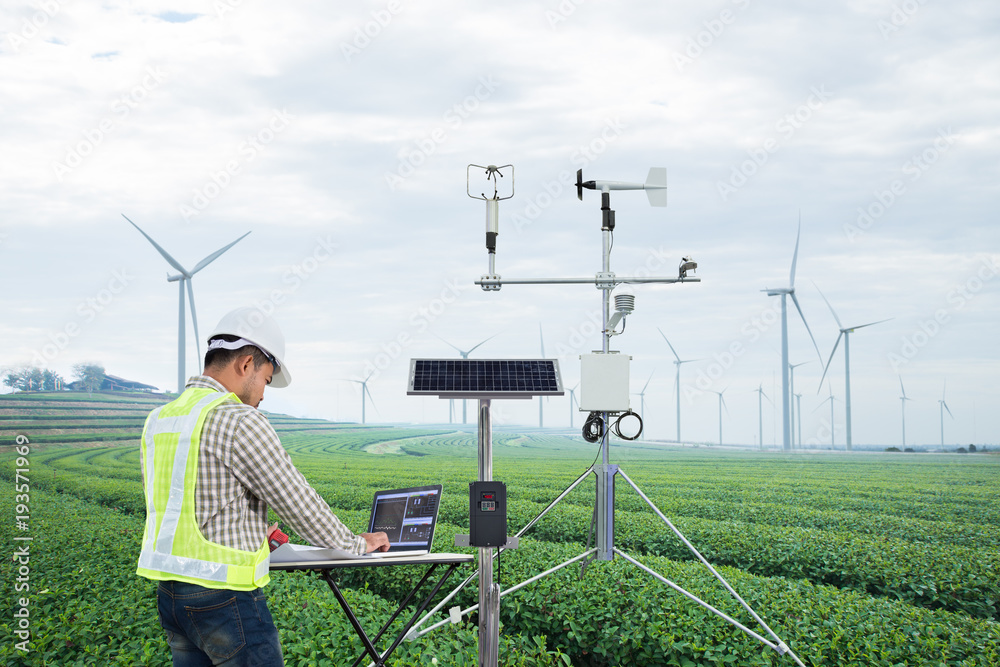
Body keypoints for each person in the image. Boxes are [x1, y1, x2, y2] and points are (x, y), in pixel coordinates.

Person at [136, 306, 389, 666]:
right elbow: (298, 502)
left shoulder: (159, 420)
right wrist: (354, 544)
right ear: (246, 364)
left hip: (172, 597)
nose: (264, 395)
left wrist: (250, 527)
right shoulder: (237, 419)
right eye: (266, 380)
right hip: (223, 598)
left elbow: (178, 502)